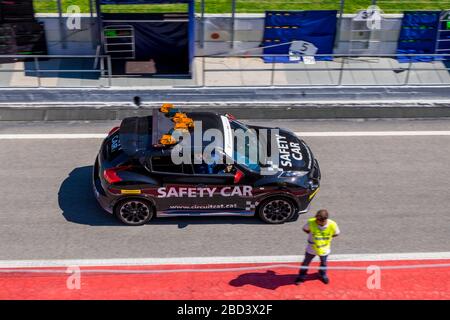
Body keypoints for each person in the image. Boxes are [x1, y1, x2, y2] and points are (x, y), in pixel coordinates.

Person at [295, 209, 340, 285]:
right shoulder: (311, 222)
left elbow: (336, 233)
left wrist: (324, 239)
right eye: (316, 219)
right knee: (306, 263)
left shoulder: (332, 224)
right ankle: (302, 276)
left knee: (324, 263)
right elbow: (305, 229)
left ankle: (322, 274)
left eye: (318, 220)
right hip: (311, 248)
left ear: (324, 220)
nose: (316, 221)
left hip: (324, 248)